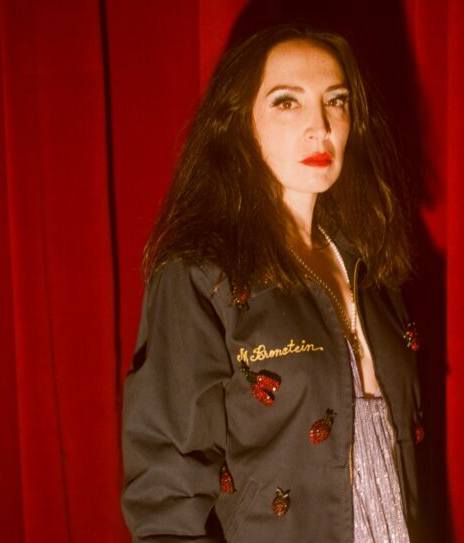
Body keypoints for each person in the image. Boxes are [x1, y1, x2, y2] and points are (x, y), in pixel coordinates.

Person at [121, 24, 423, 542]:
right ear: (239, 121)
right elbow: (166, 481)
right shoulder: (202, 275)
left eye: (336, 101)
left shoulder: (369, 263)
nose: (320, 127)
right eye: (288, 102)